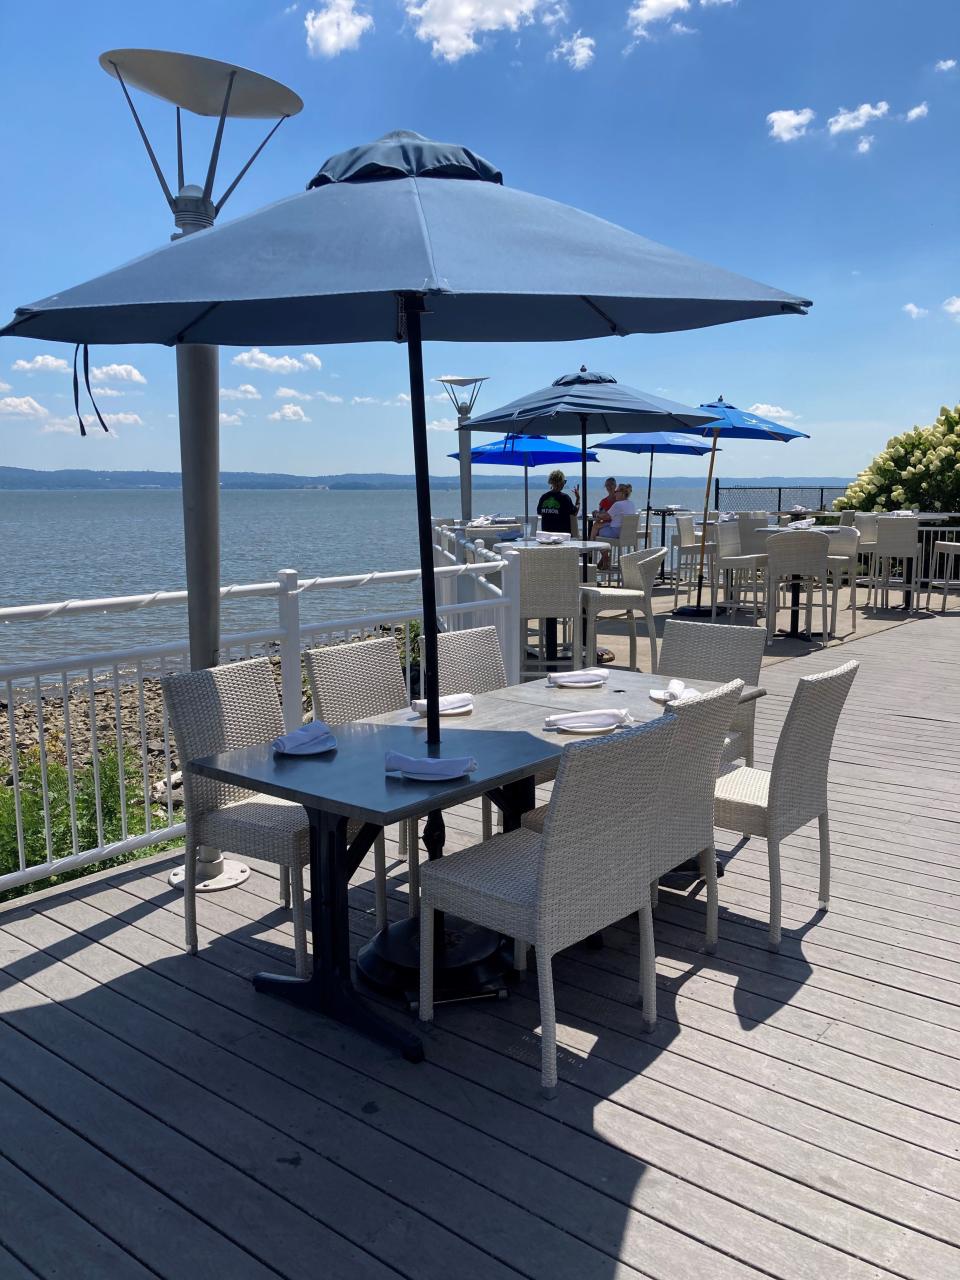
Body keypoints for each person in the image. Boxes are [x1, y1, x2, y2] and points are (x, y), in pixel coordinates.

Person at [594, 483, 637, 568]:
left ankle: (605, 558)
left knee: (598, 532)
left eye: (616, 491)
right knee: (601, 528)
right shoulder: (631, 504)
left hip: (616, 532)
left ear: (622, 493)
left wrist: (596, 514)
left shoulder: (618, 504)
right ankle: (604, 559)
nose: (615, 493)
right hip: (627, 534)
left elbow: (605, 516)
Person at [536, 469, 580, 534]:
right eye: (564, 481)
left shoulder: (544, 497)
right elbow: (574, 513)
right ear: (561, 483)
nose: (564, 484)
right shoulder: (564, 498)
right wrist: (578, 498)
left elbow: (539, 512)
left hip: (546, 536)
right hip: (562, 537)